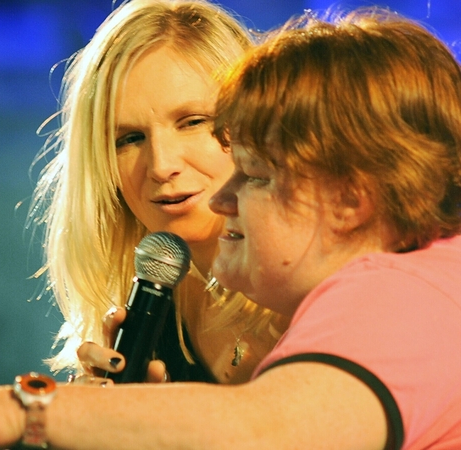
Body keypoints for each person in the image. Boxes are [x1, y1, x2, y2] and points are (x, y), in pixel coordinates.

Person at [0, 7, 461, 449]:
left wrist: (21, 409)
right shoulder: (173, 300)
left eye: (256, 171)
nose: (217, 188)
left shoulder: (403, 290)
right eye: (128, 138)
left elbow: (272, 432)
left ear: (349, 198)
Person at [28, 0, 284, 384]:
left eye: (193, 122)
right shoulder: (143, 319)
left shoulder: (318, 295)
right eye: (129, 139)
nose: (162, 166)